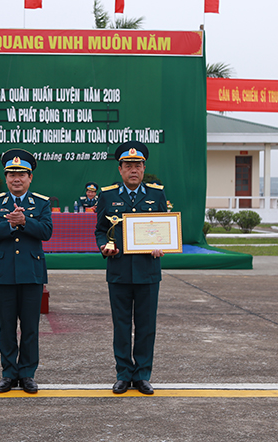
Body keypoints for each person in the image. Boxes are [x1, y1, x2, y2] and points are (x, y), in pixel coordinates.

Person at [95, 140, 167, 396]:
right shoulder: (108, 195)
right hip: (119, 270)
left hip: (148, 271)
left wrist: (161, 245)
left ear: (144, 168)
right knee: (122, 325)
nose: (133, 170)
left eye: (138, 165)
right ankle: (123, 374)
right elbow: (101, 231)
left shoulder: (156, 194)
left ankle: (143, 375)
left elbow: (162, 228)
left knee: (147, 326)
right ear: (120, 169)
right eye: (128, 166)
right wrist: (104, 247)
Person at [0, 148, 53, 394]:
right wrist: (10, 225)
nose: (16, 179)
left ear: (30, 177)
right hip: (4, 272)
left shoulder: (41, 203)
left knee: (31, 326)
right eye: (11, 174)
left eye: (22, 174)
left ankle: (27, 374)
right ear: (5, 177)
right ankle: (8, 373)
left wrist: (25, 222)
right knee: (6, 326)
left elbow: (46, 231)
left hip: (31, 272)